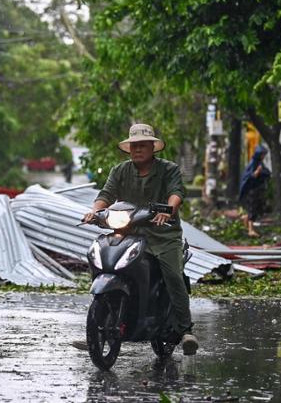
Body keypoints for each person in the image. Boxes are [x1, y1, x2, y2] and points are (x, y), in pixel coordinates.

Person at [81, 123, 198, 356]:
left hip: (163, 234)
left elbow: (177, 193)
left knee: (172, 274)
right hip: (130, 232)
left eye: (142, 145)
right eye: (134, 146)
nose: (137, 150)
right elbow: (106, 194)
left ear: (153, 147)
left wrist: (169, 209)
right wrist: (95, 211)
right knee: (103, 260)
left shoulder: (169, 169)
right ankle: (99, 325)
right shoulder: (120, 170)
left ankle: (186, 330)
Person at [238, 145, 271, 237]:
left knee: (256, 209)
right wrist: (257, 172)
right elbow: (249, 177)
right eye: (262, 154)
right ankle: (250, 230)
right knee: (252, 209)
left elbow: (266, 173)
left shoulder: (260, 163)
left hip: (258, 190)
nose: (263, 156)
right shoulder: (253, 163)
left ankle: (245, 220)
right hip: (252, 191)